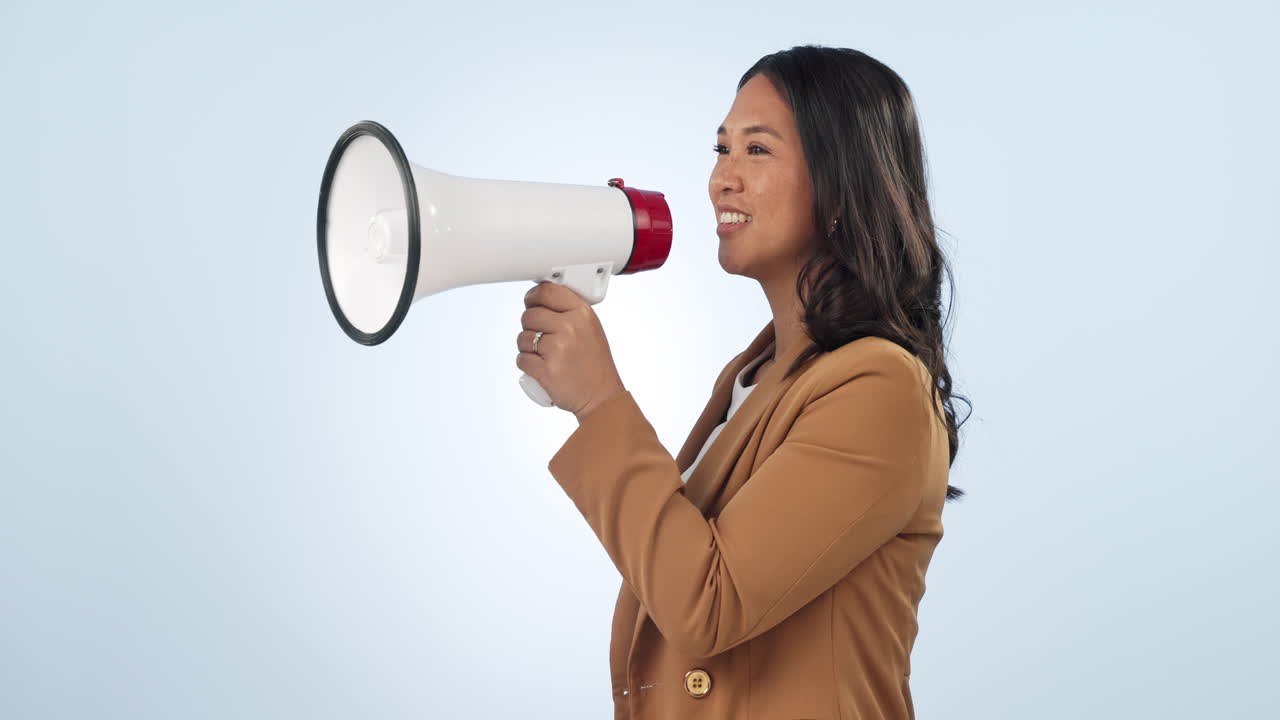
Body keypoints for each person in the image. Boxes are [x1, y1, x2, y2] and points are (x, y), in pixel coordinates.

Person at [516, 44, 969, 720]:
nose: (720, 180)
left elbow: (706, 603)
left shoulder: (881, 388)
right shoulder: (750, 377)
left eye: (756, 151)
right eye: (720, 148)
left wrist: (601, 404)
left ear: (843, 186)